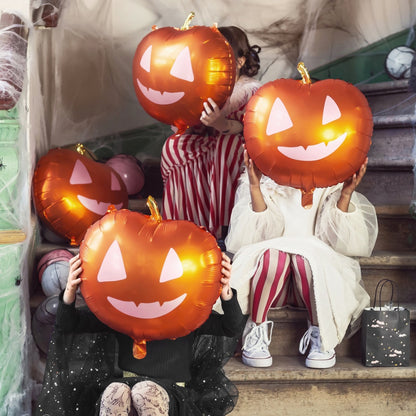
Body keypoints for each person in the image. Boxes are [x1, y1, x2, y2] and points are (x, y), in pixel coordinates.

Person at [35, 251, 244, 416]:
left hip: (171, 391)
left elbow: (230, 327)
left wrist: (226, 292)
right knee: (115, 393)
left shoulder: (188, 314)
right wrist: (70, 290)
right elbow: (70, 324)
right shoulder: (123, 312)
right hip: (127, 384)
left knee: (145, 392)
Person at [224, 148, 378, 369]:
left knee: (305, 260)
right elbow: (258, 236)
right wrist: (255, 186)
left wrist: (345, 194)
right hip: (269, 284)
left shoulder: (329, 179)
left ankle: (321, 333)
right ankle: (255, 331)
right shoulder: (266, 176)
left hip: (311, 284)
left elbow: (335, 239)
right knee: (272, 257)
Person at [161, 26, 262, 241]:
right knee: (175, 145)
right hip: (207, 144)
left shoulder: (251, 91)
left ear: (240, 61)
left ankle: (223, 231)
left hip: (238, 148)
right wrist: (181, 118)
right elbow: (194, 126)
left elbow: (255, 130)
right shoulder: (201, 87)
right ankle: (182, 228)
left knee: (225, 146)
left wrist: (222, 125)